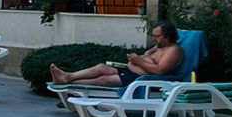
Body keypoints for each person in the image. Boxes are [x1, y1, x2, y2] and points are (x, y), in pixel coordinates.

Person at [49, 22, 183, 88]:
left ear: (167, 36)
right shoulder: (160, 46)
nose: (154, 39)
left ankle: (69, 83)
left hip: (141, 79)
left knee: (104, 79)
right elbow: (148, 57)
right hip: (132, 72)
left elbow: (159, 70)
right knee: (101, 67)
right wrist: (142, 57)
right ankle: (68, 77)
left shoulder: (173, 51)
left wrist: (138, 61)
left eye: (156, 36)